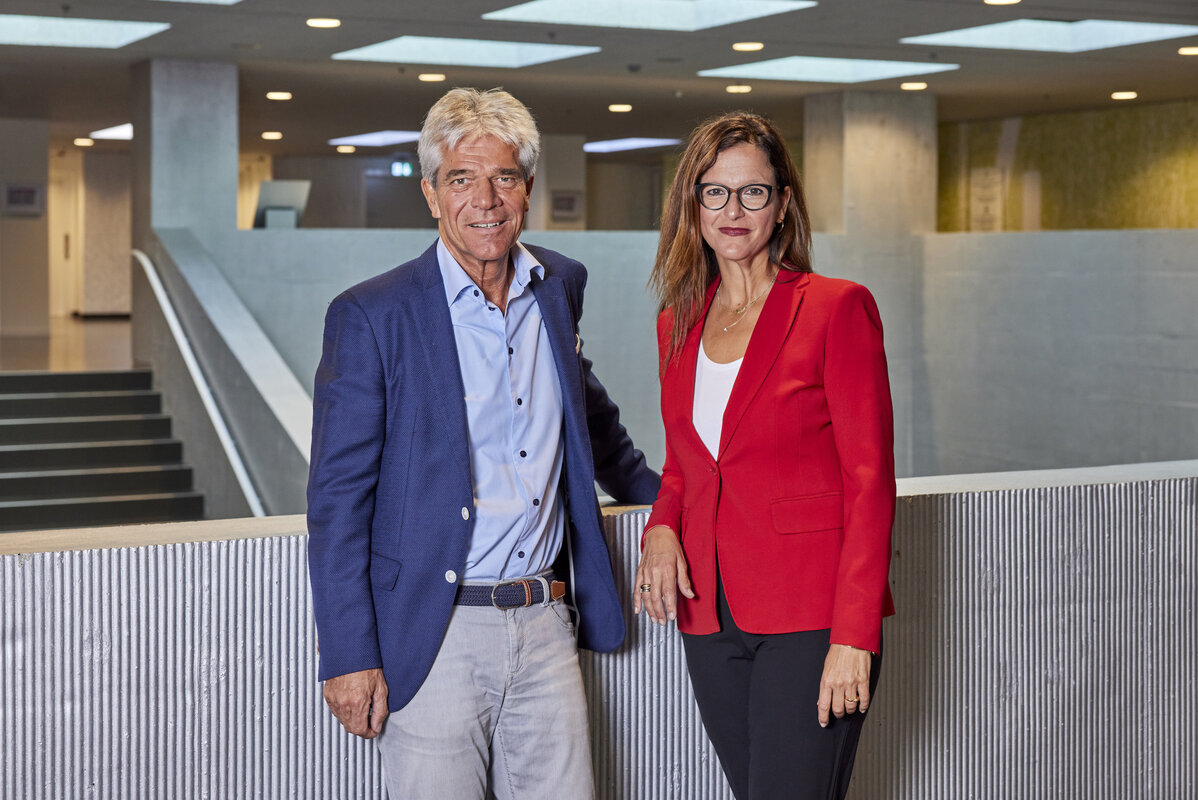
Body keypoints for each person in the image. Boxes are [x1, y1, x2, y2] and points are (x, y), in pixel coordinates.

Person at [307, 87, 660, 799]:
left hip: (546, 623)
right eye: (462, 179)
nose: (486, 200)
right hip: (436, 635)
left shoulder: (558, 286)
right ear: (432, 195)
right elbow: (338, 502)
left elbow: (592, 424)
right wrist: (348, 656)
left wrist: (671, 507)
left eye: (504, 177)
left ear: (528, 188)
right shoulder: (373, 315)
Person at [633, 112, 895, 800]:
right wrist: (661, 527)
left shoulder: (837, 308)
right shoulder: (678, 321)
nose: (733, 210)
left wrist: (854, 637)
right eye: (714, 192)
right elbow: (687, 464)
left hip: (813, 619)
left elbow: (870, 482)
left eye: (753, 192)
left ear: (782, 204)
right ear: (693, 207)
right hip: (710, 618)